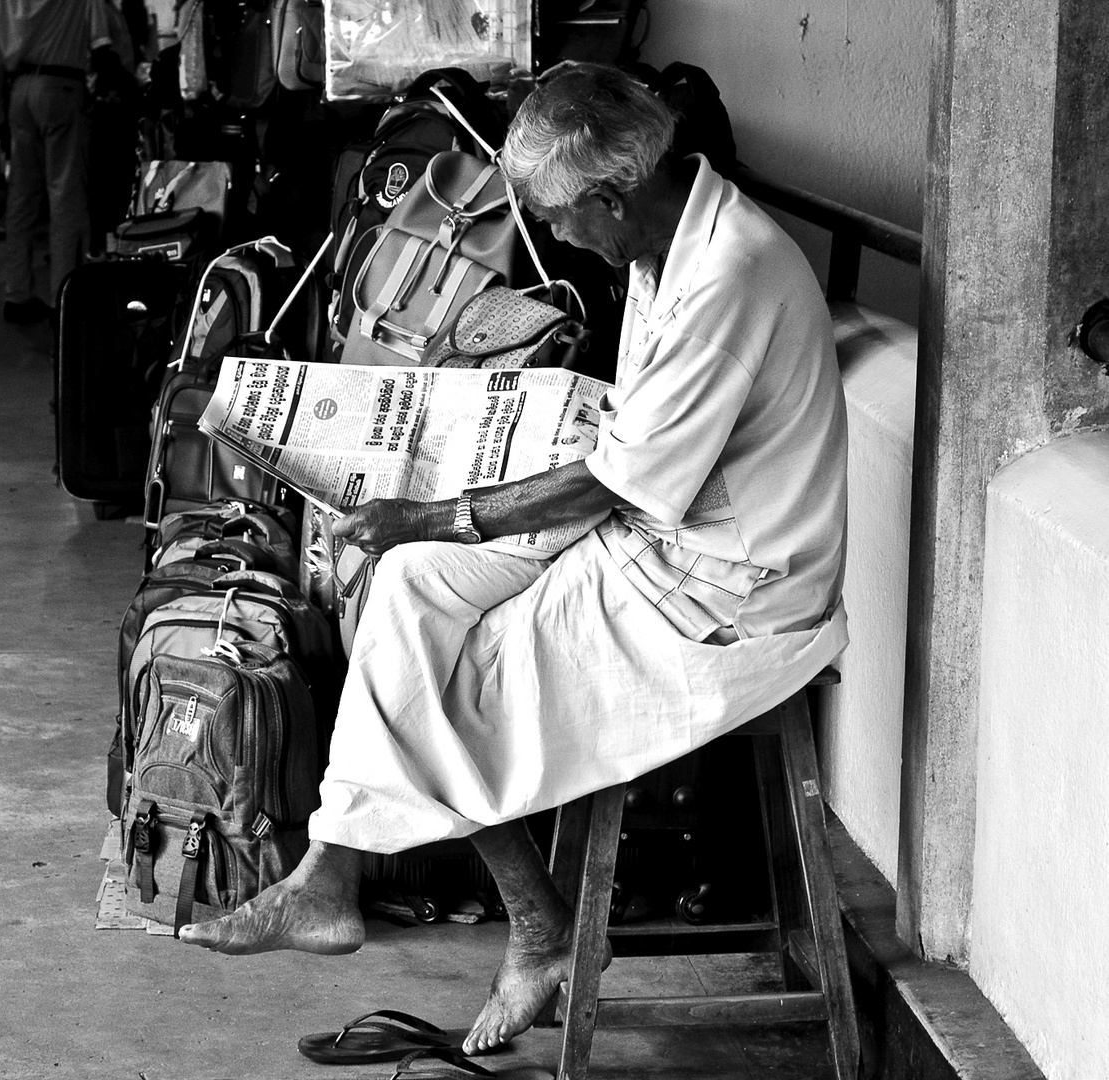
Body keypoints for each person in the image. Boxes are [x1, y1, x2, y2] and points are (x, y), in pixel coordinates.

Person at [178, 62, 851, 1058]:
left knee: (450, 662)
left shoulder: (729, 274)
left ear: (612, 198)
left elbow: (619, 484)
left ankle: (527, 926)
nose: (558, 239)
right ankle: (334, 875)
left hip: (724, 585)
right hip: (658, 530)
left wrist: (439, 510)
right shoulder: (665, 243)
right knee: (402, 592)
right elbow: (633, 450)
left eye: (560, 218)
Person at [0, 0, 133, 325]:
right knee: (65, 196)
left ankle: (16, 294)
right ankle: (62, 299)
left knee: (21, 197)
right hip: (62, 86)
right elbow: (102, 39)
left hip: (18, 90)